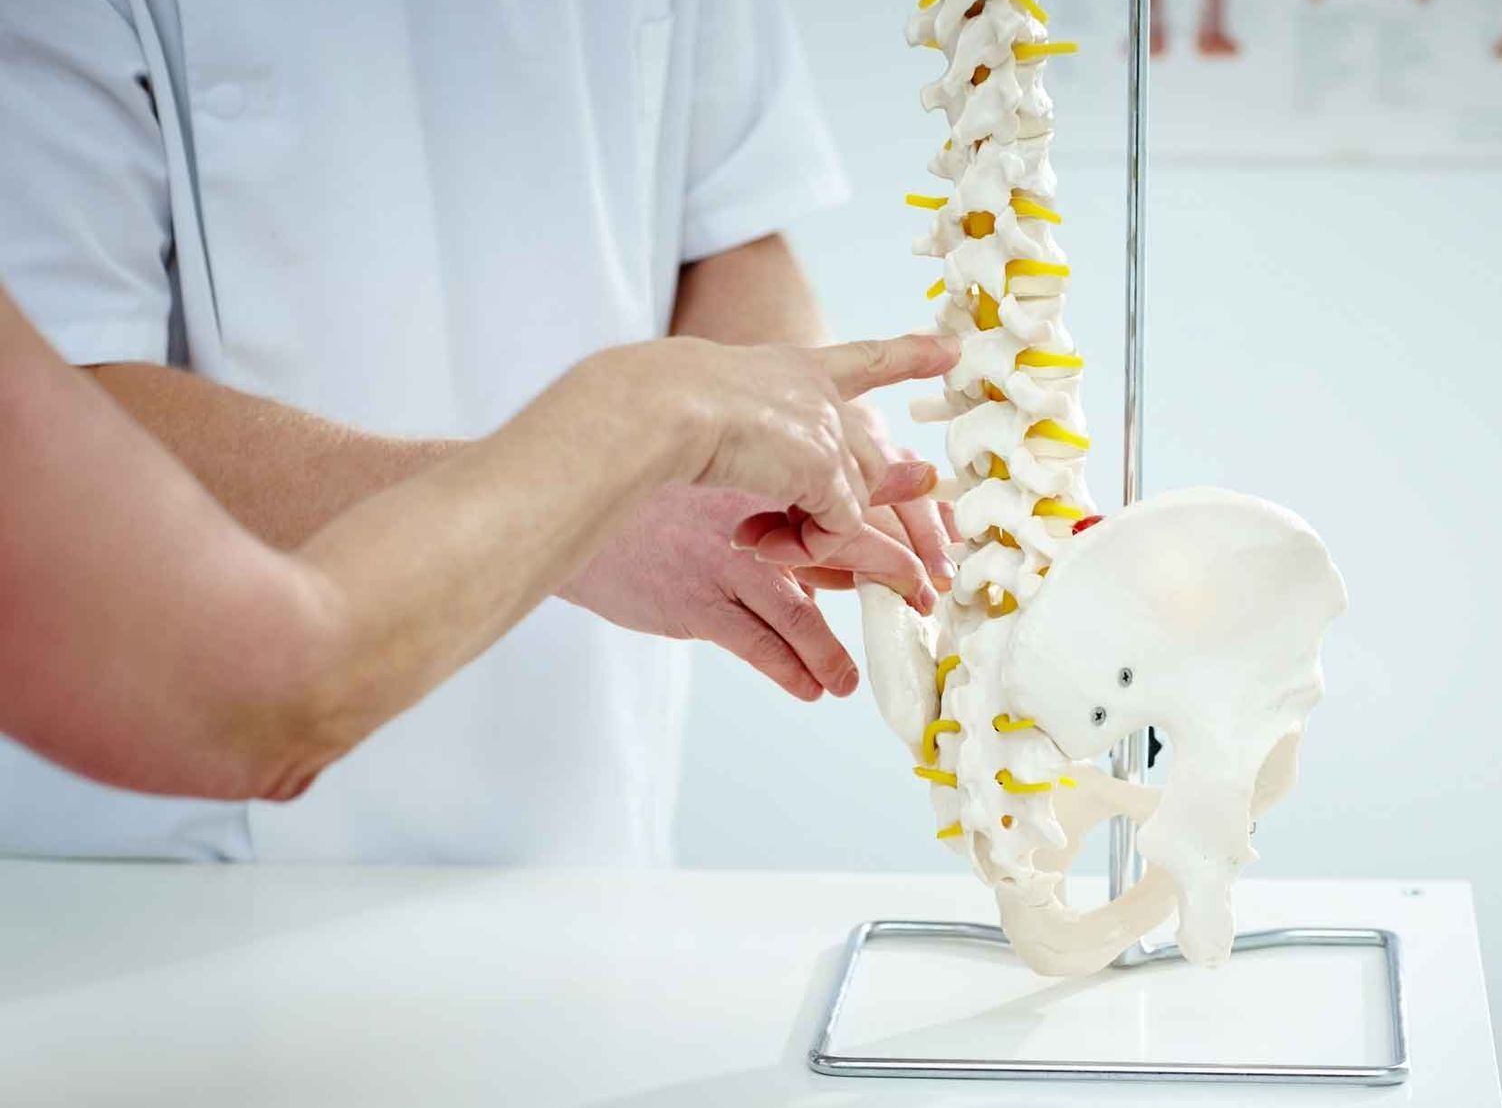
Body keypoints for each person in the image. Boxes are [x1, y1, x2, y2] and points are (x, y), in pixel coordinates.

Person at [0, 0, 940, 863]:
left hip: (575, 796)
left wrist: (792, 428)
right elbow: (64, 399)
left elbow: (732, 221)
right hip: (174, 853)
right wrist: (595, 487)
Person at [0, 284, 957, 801]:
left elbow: (730, 223)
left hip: (580, 826)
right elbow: (264, 700)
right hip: (157, 899)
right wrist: (631, 437)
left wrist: (779, 421)